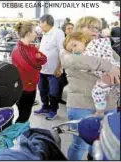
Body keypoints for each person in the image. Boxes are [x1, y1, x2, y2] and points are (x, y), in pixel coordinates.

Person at [60, 16, 120, 160]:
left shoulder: (105, 48)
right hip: (82, 105)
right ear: (79, 29)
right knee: (80, 145)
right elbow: (77, 60)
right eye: (90, 27)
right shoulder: (69, 48)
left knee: (100, 144)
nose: (95, 31)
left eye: (97, 28)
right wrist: (110, 67)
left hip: (109, 105)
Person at [63, 31, 120, 112]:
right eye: (71, 50)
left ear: (82, 39)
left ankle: (100, 111)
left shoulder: (89, 50)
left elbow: (87, 65)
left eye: (74, 45)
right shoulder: (100, 43)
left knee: (97, 92)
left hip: (108, 76)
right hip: (115, 70)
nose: (74, 50)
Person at [11, 21, 47, 123]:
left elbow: (44, 59)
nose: (36, 34)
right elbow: (32, 67)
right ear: (28, 34)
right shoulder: (18, 50)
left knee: (26, 114)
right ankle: (15, 134)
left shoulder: (31, 47)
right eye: (34, 32)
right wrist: (37, 60)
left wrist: (38, 59)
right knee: (23, 115)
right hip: (23, 89)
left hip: (31, 86)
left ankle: (22, 132)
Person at [33, 14, 65, 120]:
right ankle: (45, 107)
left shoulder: (58, 33)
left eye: (40, 22)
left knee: (53, 92)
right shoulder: (45, 33)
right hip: (42, 69)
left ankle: (53, 110)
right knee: (42, 90)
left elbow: (62, 52)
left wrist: (58, 68)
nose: (39, 25)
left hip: (53, 71)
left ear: (46, 22)